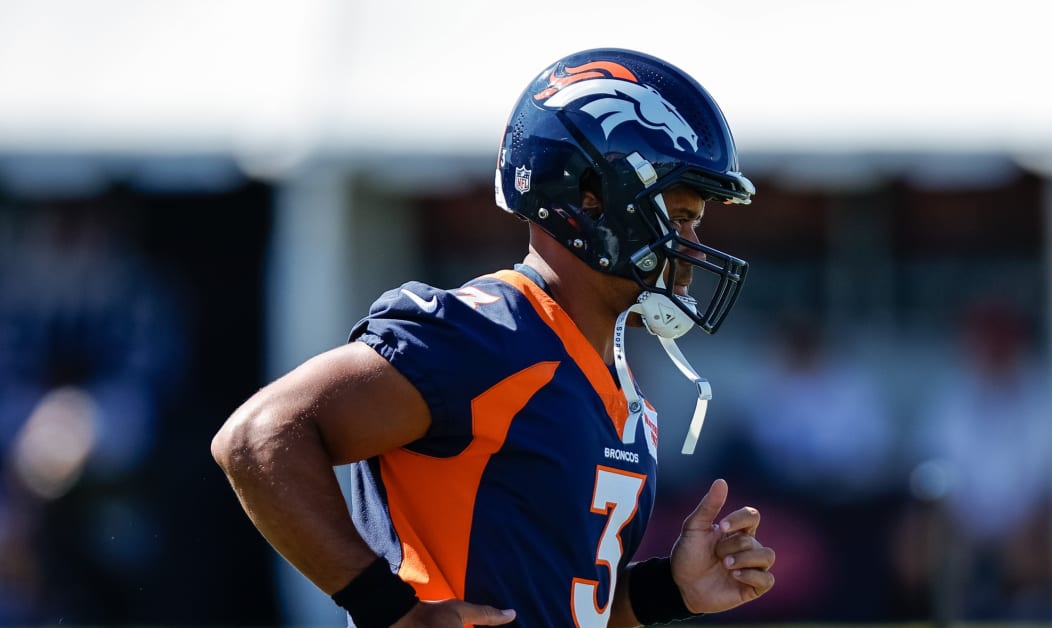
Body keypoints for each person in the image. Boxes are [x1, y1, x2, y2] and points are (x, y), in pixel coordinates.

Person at [211, 48, 776, 627]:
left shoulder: (619, 391)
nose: (690, 246)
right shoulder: (486, 337)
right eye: (678, 216)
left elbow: (560, 604)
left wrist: (667, 591)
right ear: (591, 199)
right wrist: (387, 608)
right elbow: (258, 438)